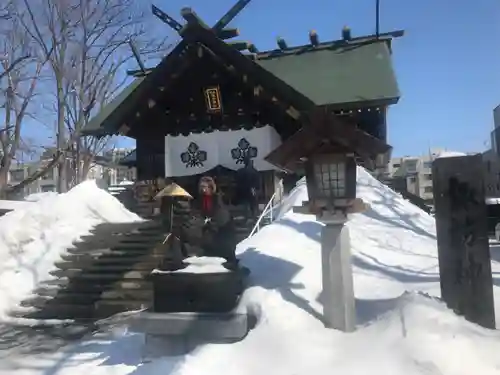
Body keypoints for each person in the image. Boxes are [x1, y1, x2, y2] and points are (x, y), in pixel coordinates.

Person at [181, 176, 238, 266]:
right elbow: (196, 212)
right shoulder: (198, 200)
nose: (203, 190)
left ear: (211, 187)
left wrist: (211, 223)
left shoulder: (218, 199)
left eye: (205, 187)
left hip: (220, 228)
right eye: (201, 187)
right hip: (205, 226)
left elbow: (222, 214)